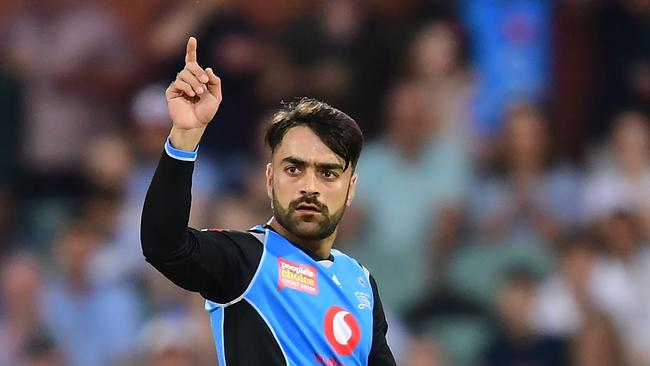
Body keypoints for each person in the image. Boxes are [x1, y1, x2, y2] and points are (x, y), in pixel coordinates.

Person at [141, 37, 396, 365]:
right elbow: (164, 246)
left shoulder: (361, 284)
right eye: (294, 169)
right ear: (270, 179)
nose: (309, 187)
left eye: (328, 174)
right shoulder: (246, 260)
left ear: (351, 189)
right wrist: (184, 136)